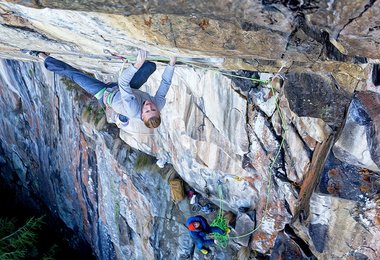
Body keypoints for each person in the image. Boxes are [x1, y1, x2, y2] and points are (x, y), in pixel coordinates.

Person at [23, 49, 176, 129]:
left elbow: (123, 82)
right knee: (150, 66)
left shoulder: (133, 108)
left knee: (74, 75)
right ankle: (121, 117)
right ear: (158, 109)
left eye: (147, 111)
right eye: (153, 109)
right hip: (128, 91)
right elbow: (165, 83)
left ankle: (42, 57)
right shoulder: (158, 103)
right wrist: (171, 63)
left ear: (142, 116)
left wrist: (136, 64)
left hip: (106, 95)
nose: (149, 106)